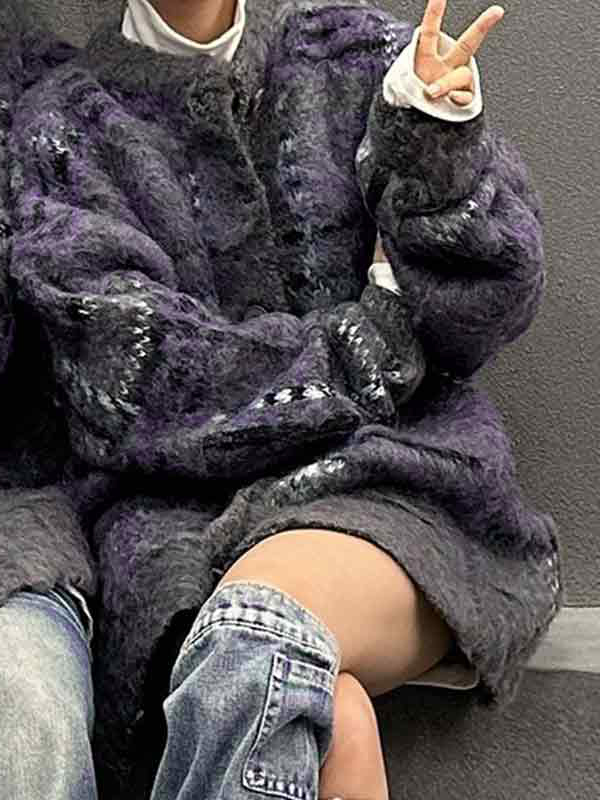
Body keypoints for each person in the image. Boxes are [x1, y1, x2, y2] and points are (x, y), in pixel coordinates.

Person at [0, 0, 564, 798]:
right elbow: (141, 384)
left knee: (257, 644)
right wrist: (374, 337)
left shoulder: (359, 57)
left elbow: (486, 305)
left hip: (399, 489)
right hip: (178, 530)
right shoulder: (63, 127)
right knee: (330, 718)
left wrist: (436, 152)